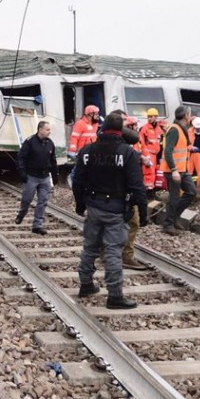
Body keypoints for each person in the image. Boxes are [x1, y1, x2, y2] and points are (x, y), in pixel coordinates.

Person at [72, 111, 146, 309]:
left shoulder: (87, 151)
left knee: (90, 247)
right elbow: (137, 186)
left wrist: (80, 204)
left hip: (94, 205)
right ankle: (114, 296)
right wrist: (143, 213)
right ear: (121, 130)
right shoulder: (128, 153)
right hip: (116, 208)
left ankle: (86, 284)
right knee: (113, 251)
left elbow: (77, 181)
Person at [16, 121, 58, 235]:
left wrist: (55, 175)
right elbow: (21, 157)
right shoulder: (30, 142)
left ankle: (38, 225)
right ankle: (21, 214)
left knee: (43, 200)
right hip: (31, 176)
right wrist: (22, 172)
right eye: (47, 130)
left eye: (49, 130)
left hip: (44, 177)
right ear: (40, 130)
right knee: (27, 199)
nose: (50, 132)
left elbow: (53, 161)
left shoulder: (50, 143)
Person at [161, 106, 198, 236]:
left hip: (182, 169)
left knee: (192, 192)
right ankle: (168, 224)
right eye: (189, 114)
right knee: (174, 198)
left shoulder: (182, 129)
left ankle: (174, 217)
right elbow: (168, 151)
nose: (191, 116)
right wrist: (174, 170)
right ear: (185, 116)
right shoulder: (175, 130)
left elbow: (180, 148)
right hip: (174, 170)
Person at [121, 114, 151, 270]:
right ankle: (126, 256)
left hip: (111, 194)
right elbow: (136, 183)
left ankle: (106, 253)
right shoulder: (128, 148)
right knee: (133, 222)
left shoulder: (123, 146)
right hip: (127, 192)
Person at [138, 109, 164, 190]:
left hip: (156, 155)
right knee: (149, 173)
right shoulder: (144, 129)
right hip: (148, 154)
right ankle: (148, 190)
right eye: (148, 117)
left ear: (156, 117)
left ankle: (153, 189)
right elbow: (142, 143)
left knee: (156, 172)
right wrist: (147, 156)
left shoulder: (159, 129)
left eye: (151, 117)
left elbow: (161, 143)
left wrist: (160, 157)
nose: (149, 118)